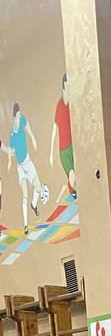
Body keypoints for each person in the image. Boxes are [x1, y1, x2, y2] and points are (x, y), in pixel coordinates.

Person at [7, 104, 48, 232]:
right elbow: (10, 150)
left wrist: (33, 138)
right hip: (20, 167)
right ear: (14, 118)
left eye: (20, 115)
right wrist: (9, 162)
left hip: (28, 162)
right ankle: (25, 226)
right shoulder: (12, 136)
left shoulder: (23, 120)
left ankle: (34, 205)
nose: (20, 117)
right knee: (25, 194)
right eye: (18, 116)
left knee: (38, 187)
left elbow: (28, 129)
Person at [49, 74, 76, 203]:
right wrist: (51, 153)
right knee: (72, 174)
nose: (69, 89)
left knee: (75, 175)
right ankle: (72, 190)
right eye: (67, 86)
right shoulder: (60, 106)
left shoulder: (72, 104)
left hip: (73, 146)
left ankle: (72, 188)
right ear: (63, 88)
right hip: (64, 150)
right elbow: (54, 130)